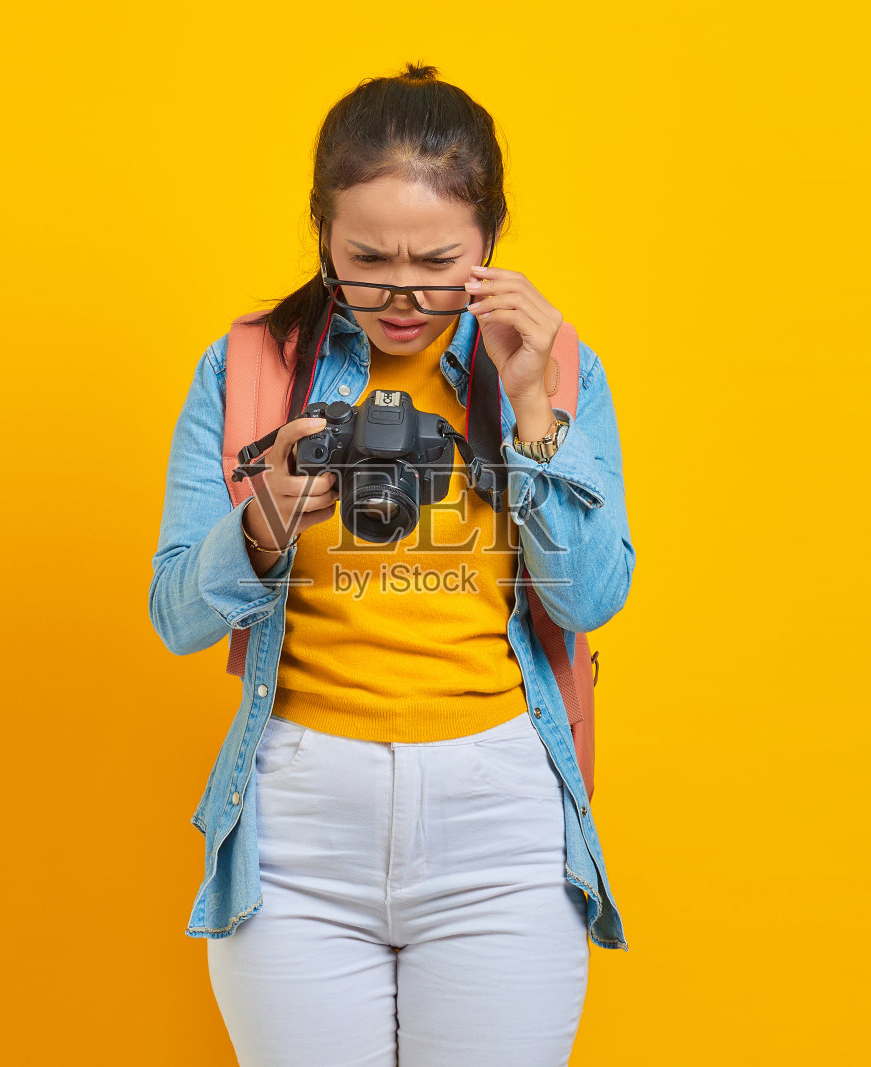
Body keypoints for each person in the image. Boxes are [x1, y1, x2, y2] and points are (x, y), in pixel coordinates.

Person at [150, 63, 633, 1066]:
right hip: (295, 827)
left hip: (497, 815)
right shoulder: (247, 367)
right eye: (365, 258)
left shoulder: (554, 367)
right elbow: (175, 616)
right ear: (322, 233)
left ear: (490, 242)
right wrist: (261, 525)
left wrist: (534, 411)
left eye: (437, 260)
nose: (403, 294)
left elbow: (591, 596)